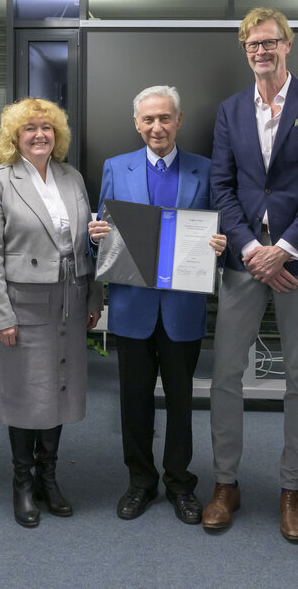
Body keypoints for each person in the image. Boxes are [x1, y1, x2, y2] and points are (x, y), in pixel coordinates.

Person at [204, 7, 298, 542]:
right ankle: (225, 483)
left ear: (288, 45)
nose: (261, 50)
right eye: (252, 44)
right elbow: (223, 185)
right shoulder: (229, 110)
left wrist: (282, 250)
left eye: (270, 41)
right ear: (245, 51)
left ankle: (292, 489)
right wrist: (248, 249)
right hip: (242, 261)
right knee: (224, 375)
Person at [88, 85, 226, 525]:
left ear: (179, 121)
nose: (156, 127)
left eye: (164, 118)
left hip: (183, 308)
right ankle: (140, 482)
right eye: (148, 119)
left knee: (182, 400)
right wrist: (96, 238)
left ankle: (180, 483)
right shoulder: (115, 167)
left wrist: (219, 244)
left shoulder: (204, 169)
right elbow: (103, 234)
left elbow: (215, 230)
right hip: (132, 307)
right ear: (136, 123)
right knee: (133, 401)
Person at [0, 98, 102, 528]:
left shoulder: (72, 177)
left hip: (72, 297)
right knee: (26, 390)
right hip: (24, 304)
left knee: (60, 388)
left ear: (58, 135)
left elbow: (90, 242)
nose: (39, 135)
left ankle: (49, 477)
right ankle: (22, 481)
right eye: (29, 128)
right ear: (15, 136)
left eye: (47, 128)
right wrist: (1, 315)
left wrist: (94, 297)